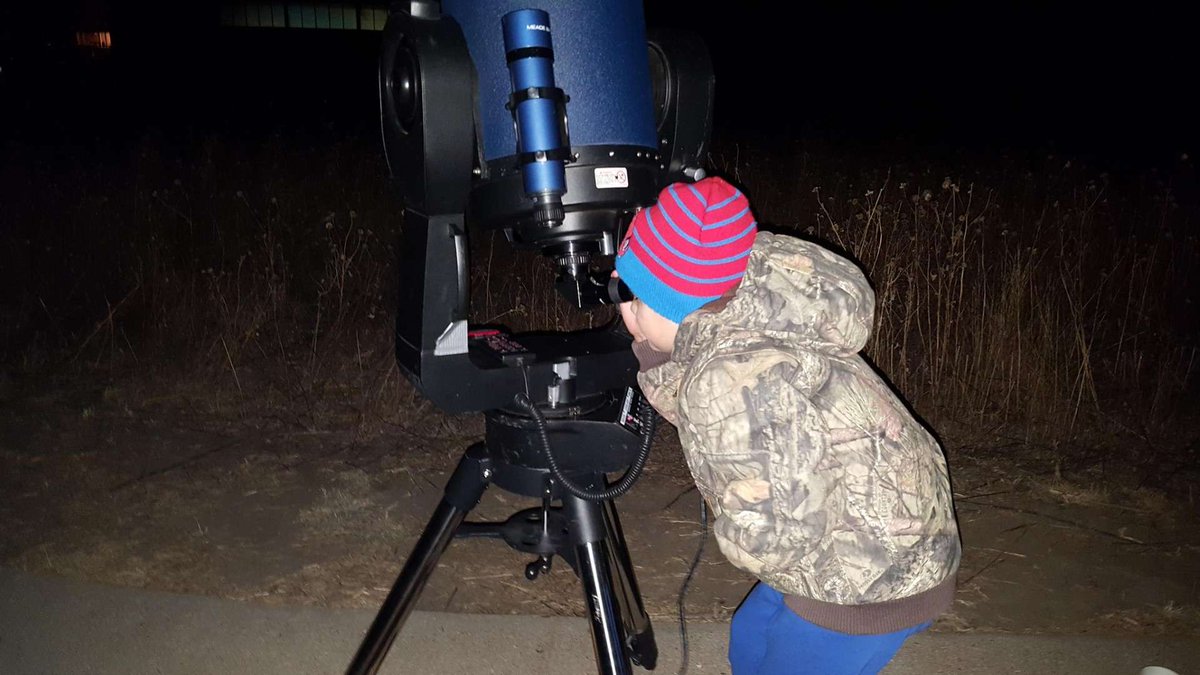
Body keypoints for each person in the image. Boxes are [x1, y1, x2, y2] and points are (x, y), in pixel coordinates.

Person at [613, 176, 961, 675]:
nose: (623, 309)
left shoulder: (728, 375)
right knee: (751, 638)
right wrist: (658, 355)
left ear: (674, 306)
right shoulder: (752, 309)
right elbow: (720, 416)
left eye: (633, 297)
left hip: (869, 582)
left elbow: (779, 534)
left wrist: (737, 526)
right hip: (868, 525)